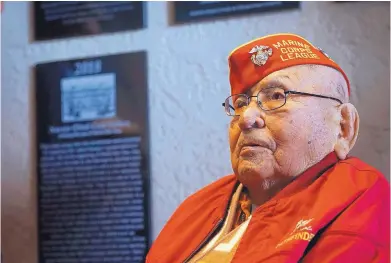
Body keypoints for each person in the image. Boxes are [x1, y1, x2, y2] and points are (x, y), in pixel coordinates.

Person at [146, 33, 390, 263]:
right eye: (240, 103)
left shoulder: (359, 198)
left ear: (343, 126)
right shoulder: (195, 208)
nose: (245, 118)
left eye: (276, 96)